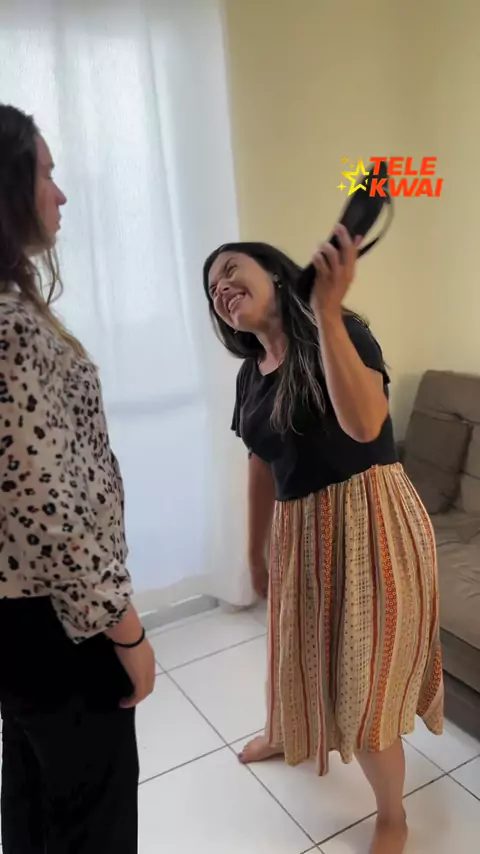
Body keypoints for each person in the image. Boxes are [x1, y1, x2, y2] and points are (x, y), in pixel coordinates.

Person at [203, 231, 444, 854]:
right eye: (212, 288)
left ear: (276, 274)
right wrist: (253, 550)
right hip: (301, 533)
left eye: (230, 269)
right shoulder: (250, 375)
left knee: (363, 682)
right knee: (295, 653)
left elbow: (366, 424)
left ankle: (392, 815)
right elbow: (260, 462)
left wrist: (329, 314)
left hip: (371, 523)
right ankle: (284, 731)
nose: (221, 287)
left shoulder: (340, 332)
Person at [0, 104, 155, 853]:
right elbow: (48, 510)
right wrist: (127, 632)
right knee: (94, 817)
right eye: (46, 173)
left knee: (35, 800)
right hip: (59, 625)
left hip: (21, 622)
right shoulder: (10, 326)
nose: (60, 194)